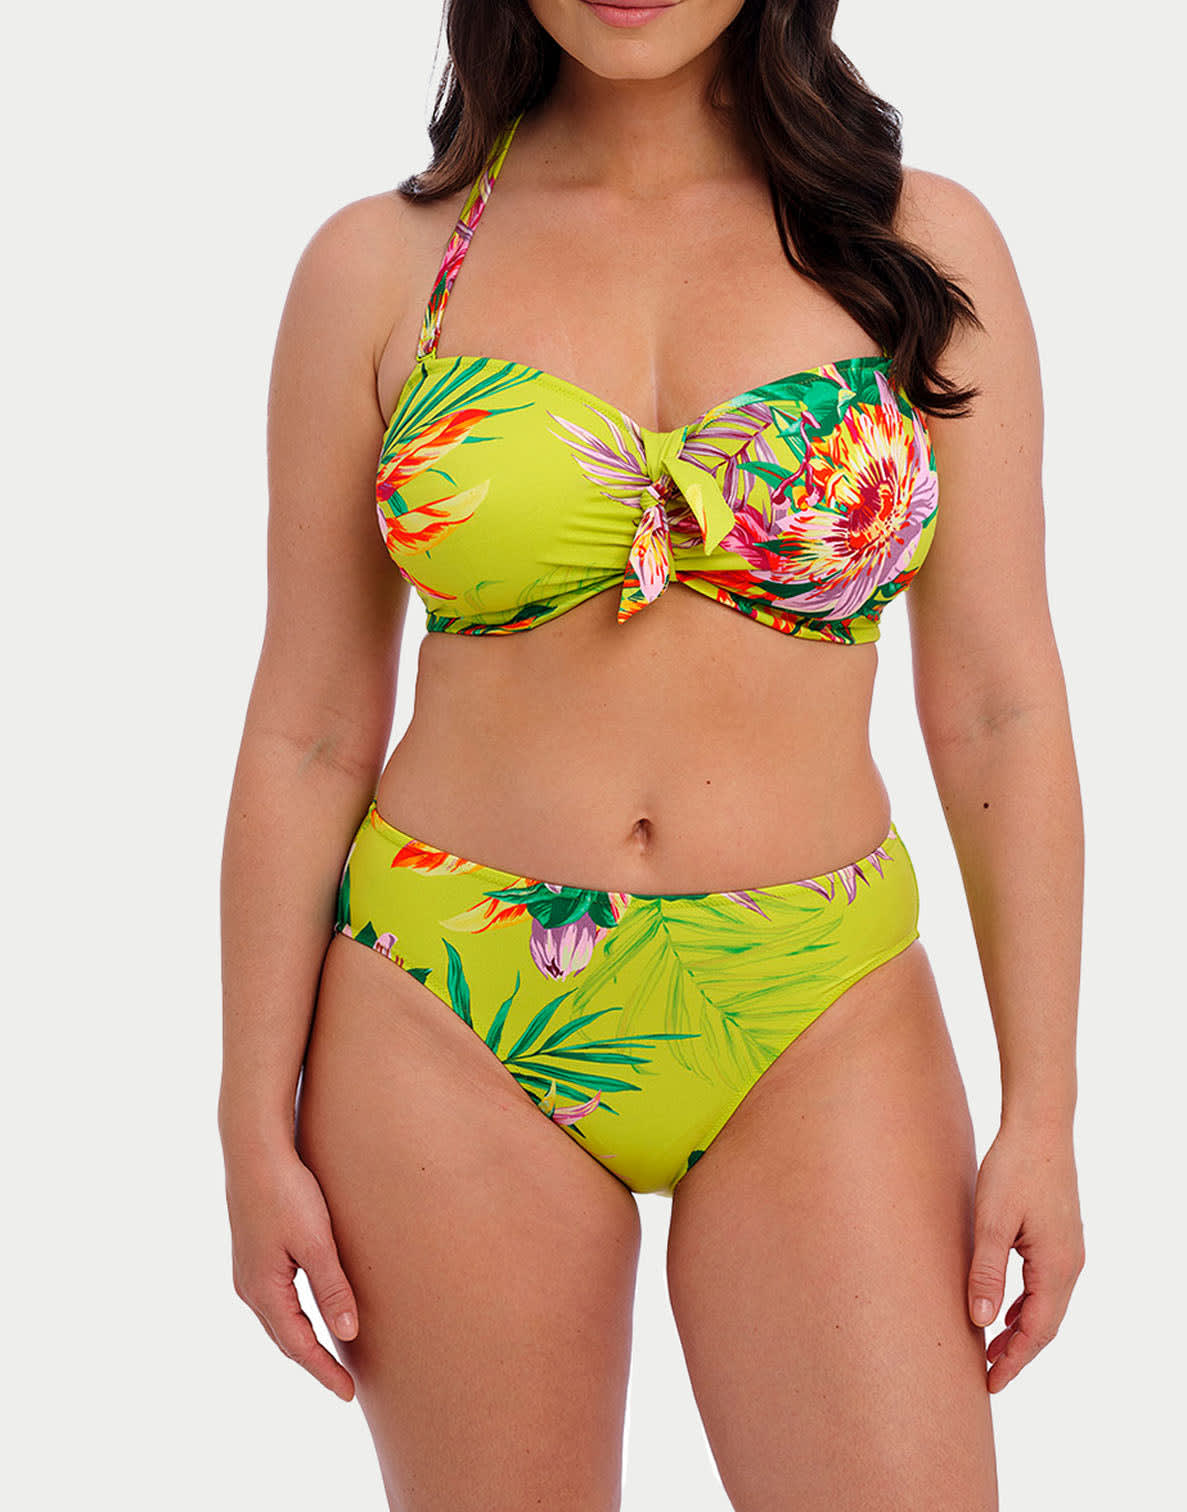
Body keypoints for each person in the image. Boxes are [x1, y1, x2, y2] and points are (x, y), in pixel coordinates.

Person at [219, 1, 1085, 1506]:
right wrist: (247, 1119)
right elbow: (308, 726)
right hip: (446, 1008)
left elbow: (1000, 702)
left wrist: (1046, 1112)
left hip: (820, 998)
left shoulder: (914, 248)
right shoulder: (379, 267)